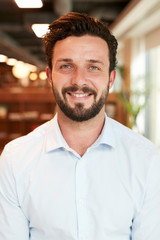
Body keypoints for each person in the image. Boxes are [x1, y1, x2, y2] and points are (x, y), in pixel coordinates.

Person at [0, 12, 160, 240]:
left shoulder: (146, 159)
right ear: (50, 76)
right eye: (66, 66)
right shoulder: (15, 160)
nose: (79, 81)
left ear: (111, 79)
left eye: (93, 67)